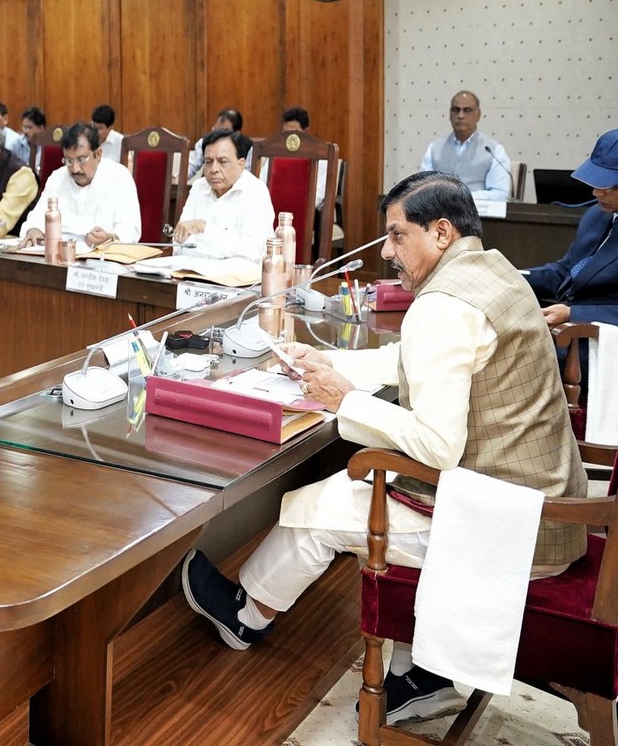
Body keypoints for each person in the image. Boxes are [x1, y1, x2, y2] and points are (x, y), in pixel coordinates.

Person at [181, 172, 584, 723]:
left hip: (507, 529)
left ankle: (245, 615)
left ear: (441, 232)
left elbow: (439, 446)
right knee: (357, 488)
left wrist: (344, 401)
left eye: (397, 236)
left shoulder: (442, 305)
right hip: (547, 505)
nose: (388, 252)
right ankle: (421, 675)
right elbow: (413, 364)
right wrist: (331, 364)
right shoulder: (496, 272)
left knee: (322, 507)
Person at [526, 128, 618, 328]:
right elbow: (566, 273)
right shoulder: (596, 215)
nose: (595, 192)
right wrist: (513, 276)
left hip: (599, 340)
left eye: (607, 186)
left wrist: (574, 313)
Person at [19, 122, 141, 248]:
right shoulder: (57, 178)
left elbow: (130, 230)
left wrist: (109, 238)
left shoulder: (119, 177)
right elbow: (36, 217)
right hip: (60, 259)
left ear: (98, 154)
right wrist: (34, 229)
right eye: (69, 161)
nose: (75, 169)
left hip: (102, 262)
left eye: (81, 159)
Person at [173, 129, 274, 261]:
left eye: (223, 161)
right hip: (193, 273)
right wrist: (228, 247)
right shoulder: (199, 187)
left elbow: (252, 251)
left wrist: (203, 228)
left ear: (240, 165)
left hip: (239, 278)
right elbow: (179, 243)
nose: (214, 169)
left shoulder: (256, 191)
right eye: (208, 161)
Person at [419, 90, 511, 202]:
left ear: (478, 115)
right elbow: (423, 190)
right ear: (450, 114)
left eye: (467, 110)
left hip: (478, 216)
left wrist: (462, 198)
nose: (460, 115)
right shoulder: (434, 149)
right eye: (456, 110)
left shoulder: (494, 150)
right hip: (440, 215)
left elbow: (500, 194)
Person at [188, 107, 247, 180]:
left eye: (224, 132)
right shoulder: (206, 143)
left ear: (236, 133)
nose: (218, 135)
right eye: (216, 130)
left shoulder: (248, 148)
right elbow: (191, 165)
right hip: (208, 188)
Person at [20, 106, 49, 172]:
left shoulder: (48, 147)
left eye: (29, 127)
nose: (25, 131)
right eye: (24, 127)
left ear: (41, 128)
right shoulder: (16, 144)